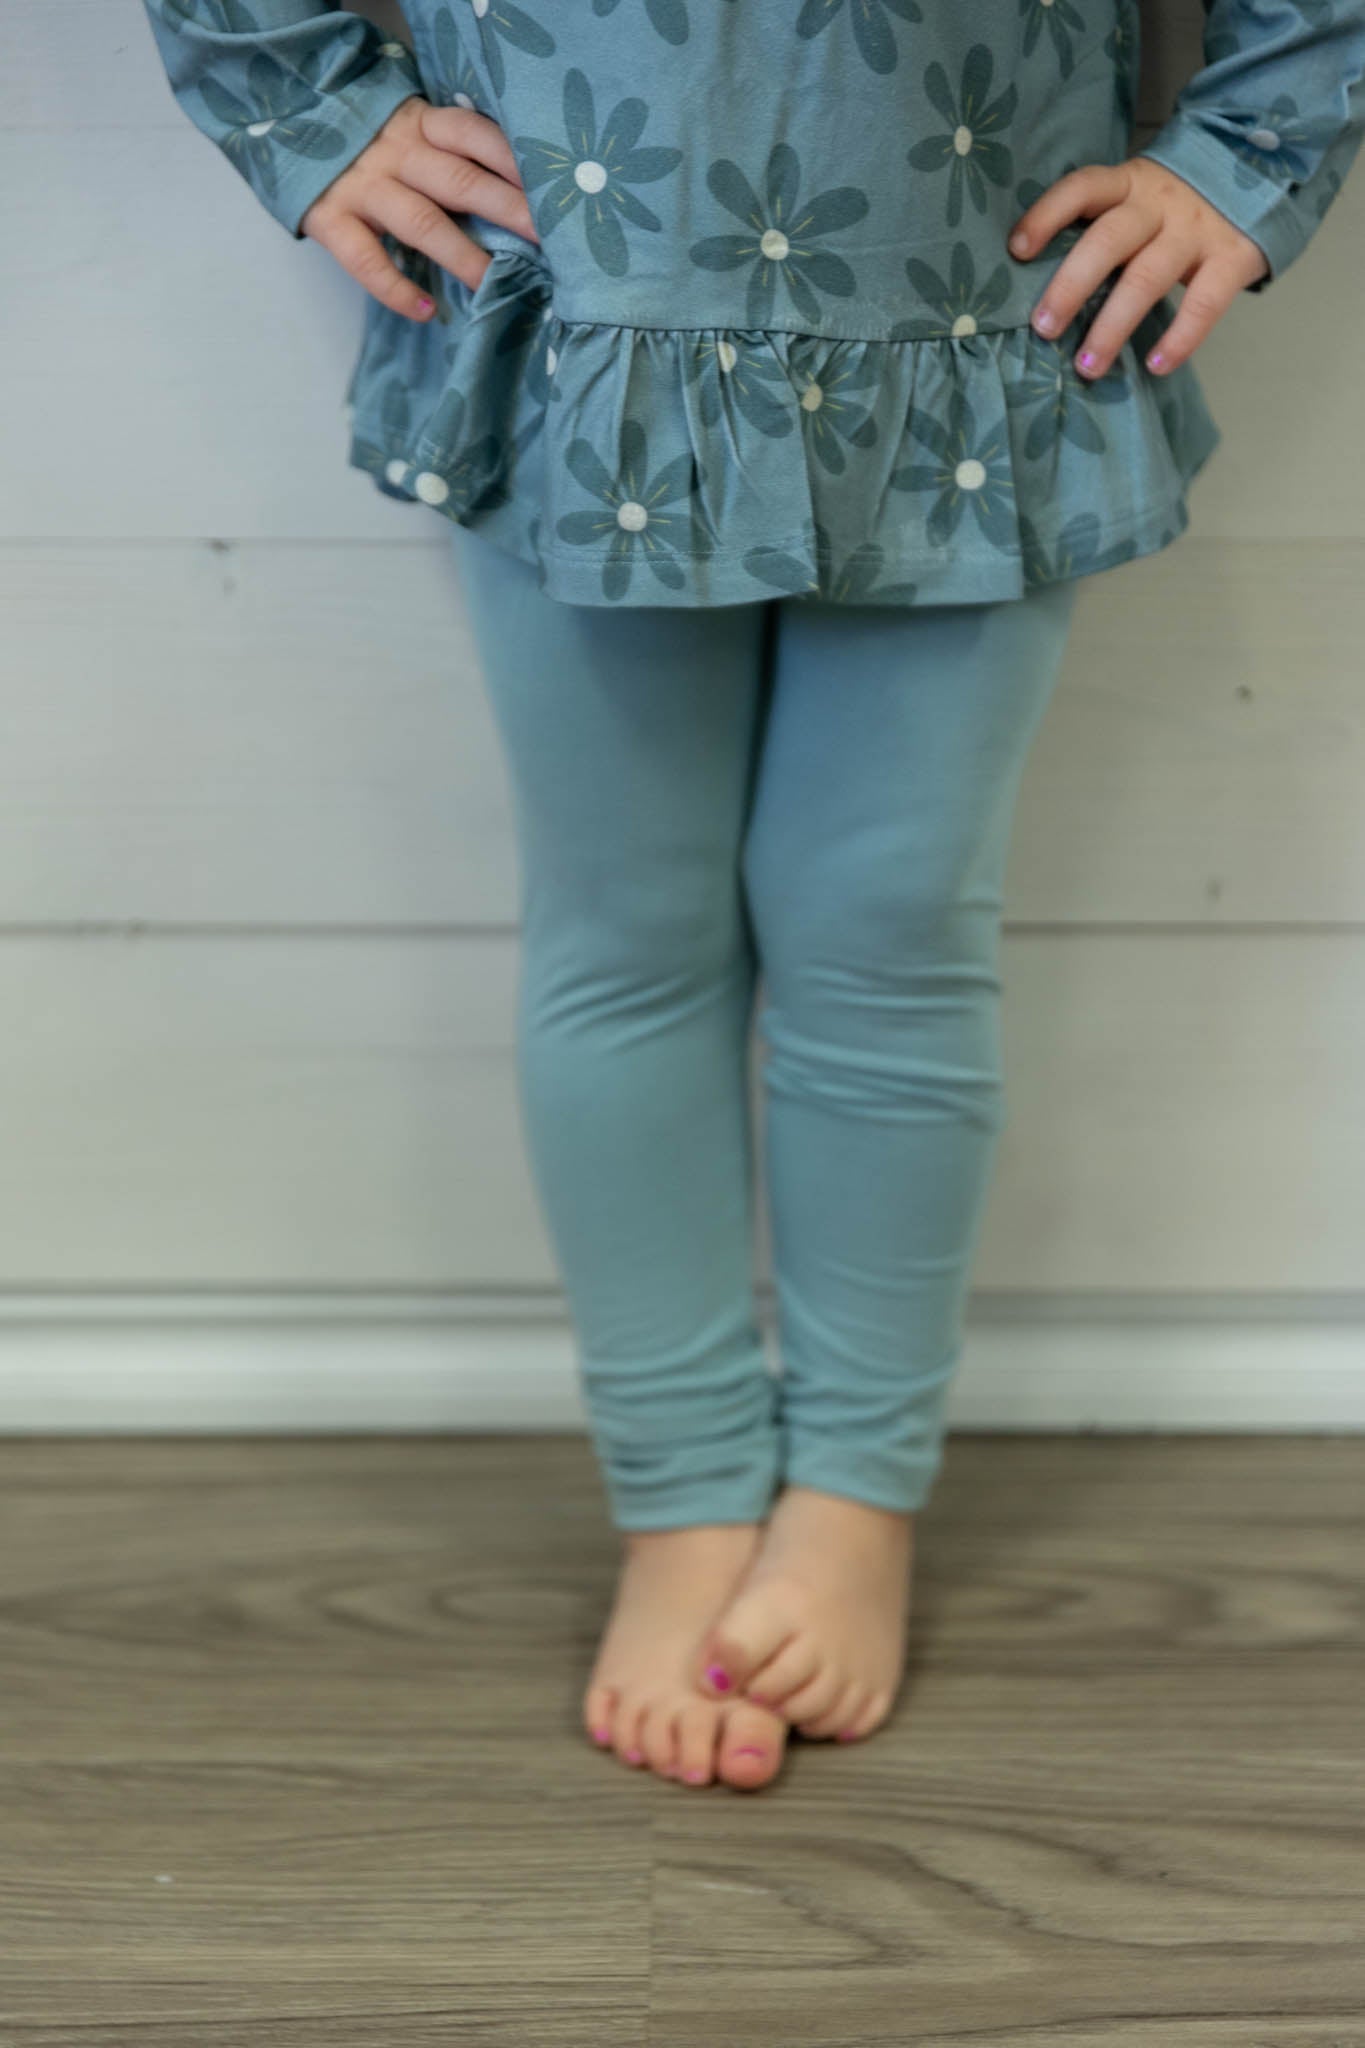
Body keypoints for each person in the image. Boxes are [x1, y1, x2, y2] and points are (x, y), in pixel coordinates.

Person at [140, 0, 1364, 1792]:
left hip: (979, 305)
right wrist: (306, 104)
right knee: (626, 939)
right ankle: (686, 1497)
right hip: (581, 289)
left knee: (889, 942)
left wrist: (1250, 148)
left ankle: (856, 1488)